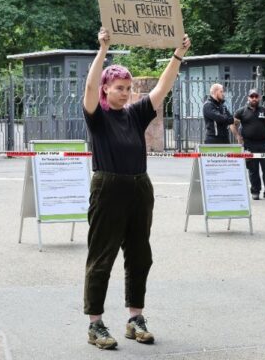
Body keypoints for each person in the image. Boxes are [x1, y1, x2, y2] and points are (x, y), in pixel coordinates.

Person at [82, 27, 191, 350]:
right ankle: (95, 324)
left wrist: (178, 55)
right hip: (108, 187)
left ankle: (135, 319)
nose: (126, 93)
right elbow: (88, 86)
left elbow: (162, 87)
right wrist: (102, 50)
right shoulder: (97, 116)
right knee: (102, 257)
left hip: (139, 187)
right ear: (106, 89)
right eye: (119, 88)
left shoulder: (135, 114)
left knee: (140, 255)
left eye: (128, 88)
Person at [231, 89, 265, 201]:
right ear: (248, 97)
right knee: (253, 170)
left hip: (264, 144)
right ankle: (255, 191)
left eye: (256, 96)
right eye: (251, 96)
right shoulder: (241, 111)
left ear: (259, 97)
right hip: (249, 145)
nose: (254, 98)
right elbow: (232, 125)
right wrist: (238, 136)